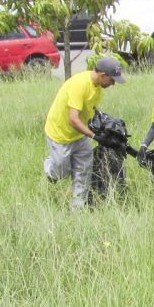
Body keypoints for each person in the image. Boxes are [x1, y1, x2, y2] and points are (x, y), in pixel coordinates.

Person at [43, 57, 126, 209]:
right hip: (60, 134)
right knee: (61, 172)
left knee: (83, 171)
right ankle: (49, 167)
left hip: (79, 136)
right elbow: (73, 119)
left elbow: (89, 113)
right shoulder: (79, 85)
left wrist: (105, 130)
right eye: (112, 80)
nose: (113, 84)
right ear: (102, 75)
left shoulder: (98, 89)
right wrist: (94, 136)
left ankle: (78, 208)